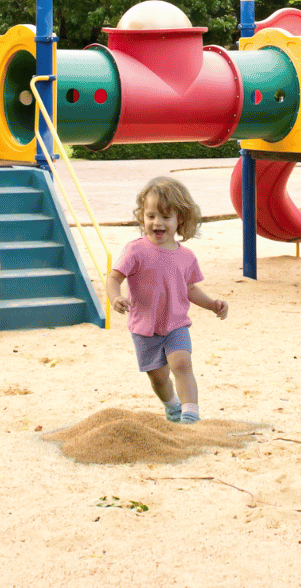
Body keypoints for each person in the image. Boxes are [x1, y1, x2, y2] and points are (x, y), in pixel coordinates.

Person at [105, 176, 228, 425]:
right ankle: (172, 405)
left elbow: (190, 288)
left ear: (180, 218)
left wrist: (212, 304)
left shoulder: (186, 256)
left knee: (182, 364)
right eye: (150, 216)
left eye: (165, 216)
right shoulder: (135, 250)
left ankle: (190, 415)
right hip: (144, 327)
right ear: (142, 217)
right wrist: (115, 297)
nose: (157, 222)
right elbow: (113, 278)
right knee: (158, 378)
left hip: (175, 324)